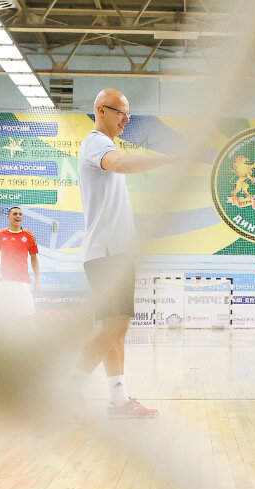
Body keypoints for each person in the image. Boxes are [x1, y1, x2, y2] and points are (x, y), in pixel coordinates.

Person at [70, 88, 174, 418]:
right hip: (107, 254)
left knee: (117, 328)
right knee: (113, 327)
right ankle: (68, 389)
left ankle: (118, 399)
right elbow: (120, 163)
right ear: (101, 109)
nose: (126, 120)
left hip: (114, 253)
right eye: (121, 113)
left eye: (128, 114)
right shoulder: (97, 143)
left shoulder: (103, 143)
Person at [0, 206, 40, 316]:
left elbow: (34, 259)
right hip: (5, 280)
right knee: (3, 315)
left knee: (25, 316)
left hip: (23, 281)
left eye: (20, 214)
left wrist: (37, 280)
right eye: (15, 214)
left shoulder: (29, 235)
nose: (18, 216)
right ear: (8, 217)